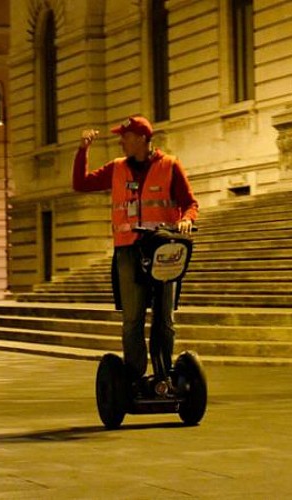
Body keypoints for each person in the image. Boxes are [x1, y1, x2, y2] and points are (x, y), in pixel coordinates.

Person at [72, 115, 199, 387]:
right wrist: (83, 150)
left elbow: (190, 203)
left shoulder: (170, 165)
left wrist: (187, 219)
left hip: (163, 250)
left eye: (125, 137)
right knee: (133, 318)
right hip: (128, 251)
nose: (121, 141)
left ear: (142, 138)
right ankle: (133, 376)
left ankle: (164, 376)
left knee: (164, 317)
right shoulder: (116, 168)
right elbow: (81, 184)